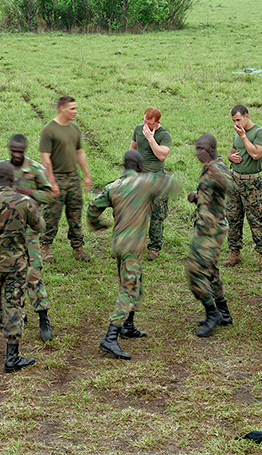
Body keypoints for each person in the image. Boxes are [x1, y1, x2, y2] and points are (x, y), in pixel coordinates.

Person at [87, 149, 169, 360]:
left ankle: (128, 326)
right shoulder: (145, 183)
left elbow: (92, 207)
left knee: (133, 281)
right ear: (140, 167)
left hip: (119, 244)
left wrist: (97, 224)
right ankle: (110, 337)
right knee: (129, 287)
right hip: (134, 246)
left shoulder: (113, 187)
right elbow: (169, 184)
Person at [0, 161, 45, 373]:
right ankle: (12, 357)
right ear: (13, 179)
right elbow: (39, 226)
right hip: (16, 264)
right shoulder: (24, 201)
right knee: (14, 305)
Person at [1, 134, 56, 341]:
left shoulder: (34, 169)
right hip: (8, 232)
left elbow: (50, 196)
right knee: (12, 275)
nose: (16, 154)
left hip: (30, 231)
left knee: (34, 273)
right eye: (13, 150)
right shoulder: (3, 169)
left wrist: (29, 192)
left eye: (20, 151)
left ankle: (43, 317)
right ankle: (19, 315)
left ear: (24, 149)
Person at [185, 134, 234, 336]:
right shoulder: (208, 167)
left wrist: (210, 166)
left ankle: (212, 312)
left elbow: (230, 187)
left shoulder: (218, 167)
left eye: (201, 149)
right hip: (205, 226)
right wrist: (198, 197)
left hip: (212, 229)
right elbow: (214, 194)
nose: (198, 153)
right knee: (211, 270)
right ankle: (223, 312)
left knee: (195, 271)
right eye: (196, 149)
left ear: (212, 148)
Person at [39, 96, 94, 262]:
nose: (75, 111)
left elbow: (80, 152)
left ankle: (78, 248)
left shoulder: (74, 128)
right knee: (51, 215)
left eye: (75, 108)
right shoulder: (49, 130)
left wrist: (86, 175)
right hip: (56, 177)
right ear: (62, 109)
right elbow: (45, 158)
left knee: (75, 214)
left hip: (73, 177)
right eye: (72, 108)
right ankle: (45, 247)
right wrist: (52, 182)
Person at [225, 104, 262, 272]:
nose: (236, 123)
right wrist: (230, 157)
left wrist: (244, 137)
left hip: (251, 183)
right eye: (233, 121)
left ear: (246, 116)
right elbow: (232, 152)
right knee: (233, 217)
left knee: (257, 219)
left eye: (238, 119)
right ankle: (235, 253)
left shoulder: (260, 132)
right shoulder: (237, 133)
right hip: (235, 180)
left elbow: (256, 154)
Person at [131, 108, 172, 259]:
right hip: (140, 177)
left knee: (157, 215)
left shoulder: (164, 135)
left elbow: (162, 155)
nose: (146, 125)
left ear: (157, 123)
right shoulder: (138, 129)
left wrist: (150, 138)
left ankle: (154, 247)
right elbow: (133, 148)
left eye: (150, 123)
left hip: (157, 178)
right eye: (145, 122)